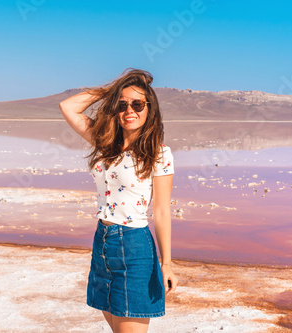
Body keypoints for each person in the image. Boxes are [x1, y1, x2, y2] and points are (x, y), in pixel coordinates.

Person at [59, 68, 177, 333]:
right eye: (122, 105)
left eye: (138, 104)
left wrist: (166, 263)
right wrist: (112, 90)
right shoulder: (105, 143)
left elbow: (161, 212)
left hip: (134, 247)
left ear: (150, 110)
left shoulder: (159, 154)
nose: (129, 111)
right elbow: (68, 106)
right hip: (103, 242)